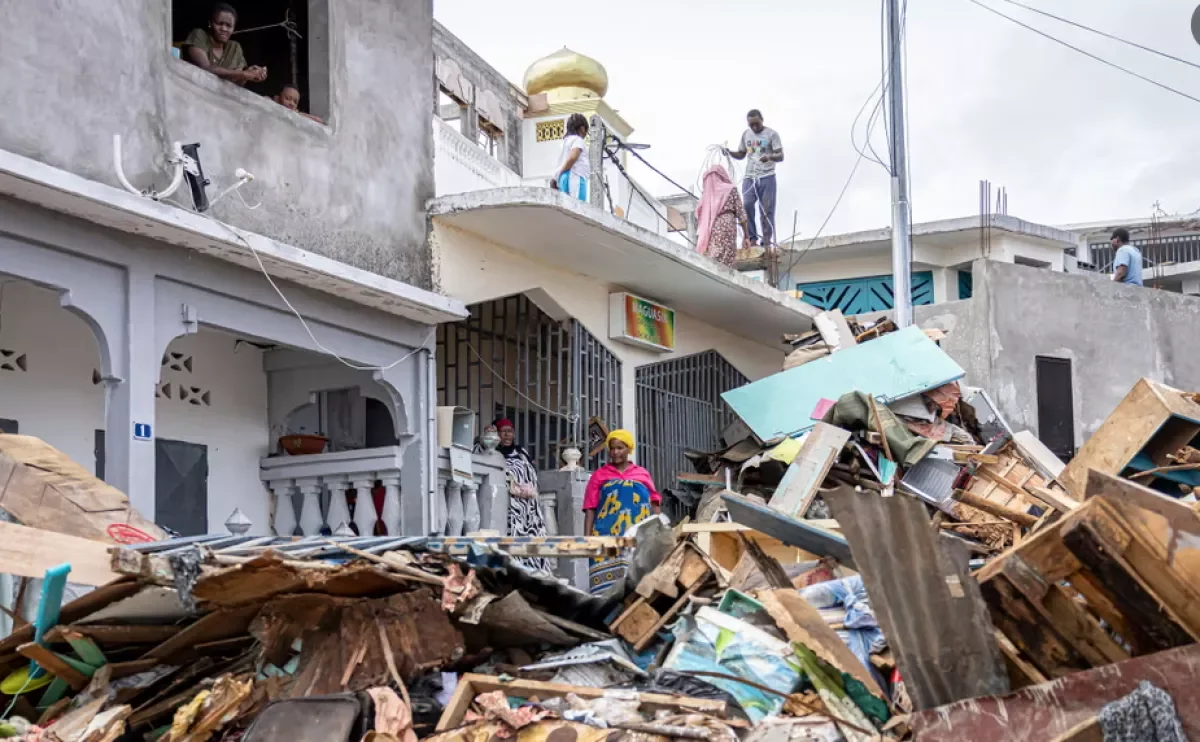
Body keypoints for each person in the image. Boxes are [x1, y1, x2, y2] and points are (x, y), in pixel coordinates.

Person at [583, 430, 661, 594]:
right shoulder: (599, 475)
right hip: (605, 535)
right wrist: (587, 539)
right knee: (605, 592)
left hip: (637, 537)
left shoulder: (642, 474)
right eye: (612, 448)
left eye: (620, 448)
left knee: (636, 587)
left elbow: (654, 504)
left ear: (629, 449)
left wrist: (657, 532)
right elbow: (590, 508)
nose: (615, 452)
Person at [485, 418, 552, 574]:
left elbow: (532, 475)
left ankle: (538, 576)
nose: (507, 435)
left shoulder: (521, 452)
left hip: (530, 510)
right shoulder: (492, 454)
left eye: (510, 431)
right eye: (503, 431)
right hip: (511, 509)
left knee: (535, 543)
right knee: (514, 544)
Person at [725, 109, 784, 246]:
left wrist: (769, 156)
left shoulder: (772, 134)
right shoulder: (746, 135)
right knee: (747, 204)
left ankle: (766, 239)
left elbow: (780, 155)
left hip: (767, 176)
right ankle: (752, 238)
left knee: (766, 209)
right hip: (750, 177)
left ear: (762, 120)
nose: (754, 127)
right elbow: (741, 153)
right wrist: (729, 153)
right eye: (751, 125)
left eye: (756, 123)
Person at [183, 3, 267, 86]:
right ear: (210, 23)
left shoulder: (234, 48)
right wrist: (243, 74)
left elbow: (237, 83)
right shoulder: (199, 35)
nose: (224, 29)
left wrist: (250, 74)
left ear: (233, 28)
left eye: (229, 26)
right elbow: (206, 68)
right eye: (219, 23)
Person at [695, 165, 750, 267]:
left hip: (712, 226)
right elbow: (741, 214)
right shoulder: (731, 189)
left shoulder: (707, 195)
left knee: (715, 255)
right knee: (727, 257)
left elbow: (699, 214)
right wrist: (746, 236)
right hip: (728, 223)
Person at [550, 113, 590, 201]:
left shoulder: (564, 143)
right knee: (577, 207)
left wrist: (556, 177)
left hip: (564, 178)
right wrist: (558, 175)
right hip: (575, 177)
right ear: (582, 128)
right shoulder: (578, 140)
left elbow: (561, 163)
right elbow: (572, 158)